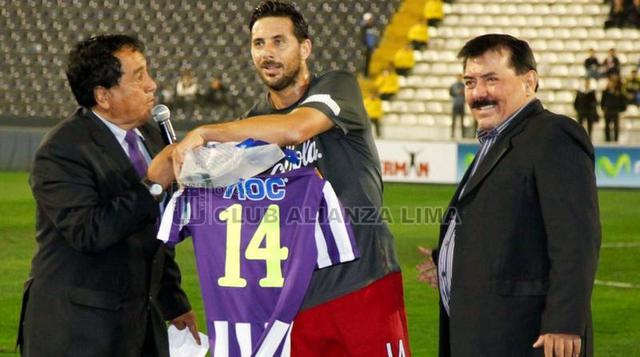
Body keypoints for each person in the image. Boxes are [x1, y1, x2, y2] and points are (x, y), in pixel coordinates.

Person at [149, 1, 410, 356]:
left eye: (278, 42)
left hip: (362, 282)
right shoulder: (250, 122)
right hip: (291, 299)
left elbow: (295, 128)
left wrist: (206, 133)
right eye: (258, 44)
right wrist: (177, 154)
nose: (267, 53)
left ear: (305, 47)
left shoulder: (337, 87)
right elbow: (159, 176)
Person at [416, 34, 600, 357]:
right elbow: (505, 225)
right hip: (486, 334)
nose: (477, 93)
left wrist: (564, 321)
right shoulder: (496, 142)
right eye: (470, 82)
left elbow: (576, 237)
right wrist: (449, 263)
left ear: (529, 82)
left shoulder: (552, 134)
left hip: (526, 338)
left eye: (491, 80)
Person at [17, 35, 199, 357]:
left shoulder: (150, 136)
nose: (152, 85)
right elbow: (89, 232)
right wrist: (153, 185)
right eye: (139, 76)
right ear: (103, 96)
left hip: (138, 322)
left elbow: (154, 235)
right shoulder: (63, 149)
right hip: (78, 330)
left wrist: (173, 302)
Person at [601, 74, 627, 142]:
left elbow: (622, 101)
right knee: (607, 126)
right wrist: (603, 108)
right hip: (608, 110)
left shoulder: (619, 91)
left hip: (615, 110)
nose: (611, 83)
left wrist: (621, 109)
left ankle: (616, 140)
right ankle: (607, 140)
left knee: (616, 126)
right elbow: (602, 101)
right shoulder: (605, 92)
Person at [361, 12, 379, 77]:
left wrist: (375, 46)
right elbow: (362, 38)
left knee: (369, 61)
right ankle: (365, 74)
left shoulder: (374, 27)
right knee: (364, 62)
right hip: (365, 47)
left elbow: (376, 37)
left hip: (371, 47)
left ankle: (368, 74)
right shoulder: (363, 28)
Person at [449, 73, 466, 138]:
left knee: (462, 121)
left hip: (461, 104)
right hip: (455, 104)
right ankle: (452, 134)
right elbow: (450, 93)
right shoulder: (453, 86)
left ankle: (463, 135)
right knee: (454, 120)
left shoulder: (464, 86)